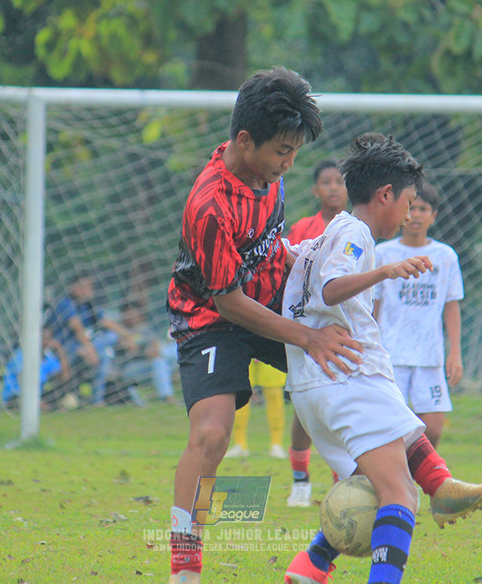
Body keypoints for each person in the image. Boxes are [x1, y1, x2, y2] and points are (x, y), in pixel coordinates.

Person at [165, 67, 361, 584]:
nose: (290, 162)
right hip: (210, 316)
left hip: (266, 298)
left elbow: (268, 245)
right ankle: (185, 567)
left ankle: (368, 498)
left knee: (344, 377)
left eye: (295, 151)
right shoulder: (209, 206)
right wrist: (306, 335)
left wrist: (301, 261)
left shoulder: (268, 174)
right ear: (245, 139)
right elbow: (226, 301)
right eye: (282, 150)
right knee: (211, 434)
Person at [281, 133, 482, 584]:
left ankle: (311, 567)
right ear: (385, 195)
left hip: (316, 386)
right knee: (400, 493)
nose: (407, 214)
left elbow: (299, 272)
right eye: (407, 201)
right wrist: (385, 269)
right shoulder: (356, 235)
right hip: (346, 378)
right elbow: (329, 288)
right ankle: (437, 491)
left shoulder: (328, 233)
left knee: (381, 478)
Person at [374, 182, 463, 447]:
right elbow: (374, 305)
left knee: (433, 429)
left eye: (424, 209)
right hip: (391, 355)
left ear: (434, 215)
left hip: (429, 355)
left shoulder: (445, 256)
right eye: (411, 208)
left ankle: (416, 480)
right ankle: (395, 485)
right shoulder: (384, 253)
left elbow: (451, 305)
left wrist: (455, 352)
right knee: (391, 430)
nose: (416, 215)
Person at [283, 159, 349, 504]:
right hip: (305, 326)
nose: (334, 187)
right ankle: (300, 479)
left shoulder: (353, 230)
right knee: (304, 408)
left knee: (340, 404)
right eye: (326, 181)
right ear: (315, 189)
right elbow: (289, 268)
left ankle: (342, 481)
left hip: (340, 326)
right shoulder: (302, 227)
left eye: (340, 181)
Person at [43, 270, 127, 406]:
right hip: (64, 350)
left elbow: (106, 321)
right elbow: (77, 327)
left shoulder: (87, 305)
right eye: (84, 286)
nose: (88, 290)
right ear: (73, 287)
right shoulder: (66, 303)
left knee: (105, 355)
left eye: (89, 286)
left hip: (83, 348)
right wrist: (89, 350)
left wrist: (129, 336)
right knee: (108, 341)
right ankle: (94, 398)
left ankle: (97, 401)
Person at [114, 302, 177, 405]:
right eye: (128, 313)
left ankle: (165, 395)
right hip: (129, 369)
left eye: (134, 313)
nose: (131, 316)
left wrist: (154, 351)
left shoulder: (146, 328)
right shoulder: (121, 331)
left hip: (151, 364)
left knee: (162, 357)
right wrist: (145, 353)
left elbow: (155, 344)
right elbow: (129, 351)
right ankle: (166, 397)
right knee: (159, 359)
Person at [0, 327, 76, 411]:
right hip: (17, 396)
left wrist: (60, 350)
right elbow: (23, 383)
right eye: (44, 338)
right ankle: (50, 407)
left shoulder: (47, 356)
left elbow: (64, 378)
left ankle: (55, 406)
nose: (46, 342)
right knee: (24, 402)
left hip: (38, 396)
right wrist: (38, 402)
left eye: (49, 339)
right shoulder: (22, 355)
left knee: (62, 389)